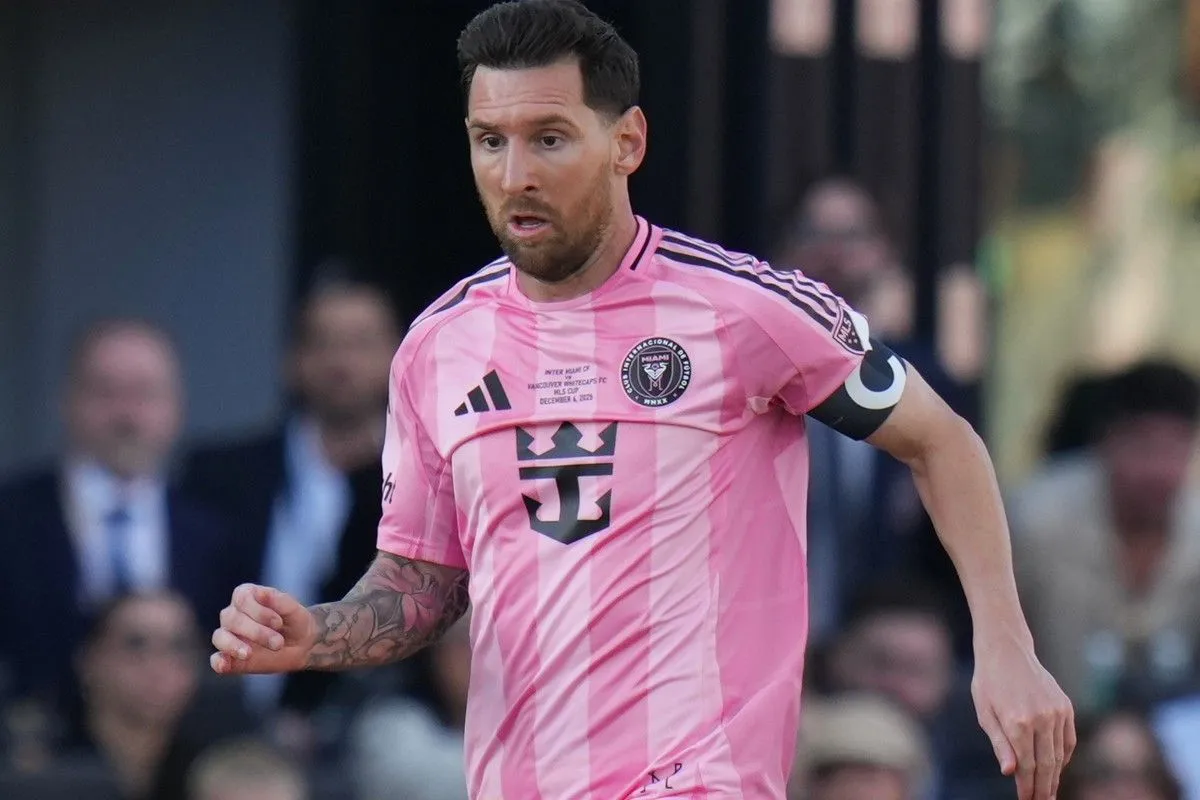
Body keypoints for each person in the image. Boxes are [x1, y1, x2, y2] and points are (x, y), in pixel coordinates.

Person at [209, 2, 1073, 799]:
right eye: (489, 141)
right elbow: (423, 585)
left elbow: (940, 440)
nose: (515, 174)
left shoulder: (742, 308)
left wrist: (1005, 645)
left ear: (627, 142)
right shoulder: (437, 347)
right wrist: (315, 634)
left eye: (550, 139)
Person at [182, 276, 401, 717]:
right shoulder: (221, 476)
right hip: (227, 717)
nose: (341, 362)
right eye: (324, 343)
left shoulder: (428, 481)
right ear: (293, 359)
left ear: (399, 356)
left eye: (360, 343)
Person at [0, 319, 239, 711]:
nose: (126, 415)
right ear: (67, 401)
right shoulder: (11, 517)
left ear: (177, 407)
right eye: (105, 392)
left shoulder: (214, 533)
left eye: (145, 393)